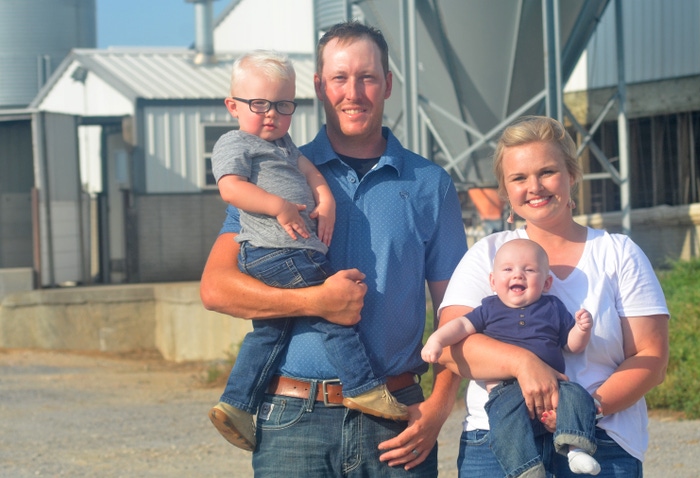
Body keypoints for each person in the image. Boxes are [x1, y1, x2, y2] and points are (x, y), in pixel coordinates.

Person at [199, 21, 468, 477]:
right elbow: (216, 289)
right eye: (340, 78)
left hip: (397, 417)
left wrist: (439, 406)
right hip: (291, 418)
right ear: (320, 87)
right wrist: (313, 301)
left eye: (367, 77)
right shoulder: (270, 172)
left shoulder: (430, 185)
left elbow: (457, 311)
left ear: (388, 85)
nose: (354, 92)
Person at [436, 116, 670, 477]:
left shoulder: (617, 253)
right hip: (497, 440)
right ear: (506, 191)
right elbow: (452, 348)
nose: (535, 187)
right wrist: (523, 364)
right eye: (519, 178)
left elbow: (651, 357)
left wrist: (583, 410)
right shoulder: (487, 254)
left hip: (599, 441)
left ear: (571, 176)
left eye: (547, 172)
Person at [207, 50, 409, 453]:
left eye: (282, 106)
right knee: (333, 309)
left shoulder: (283, 145)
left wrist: (325, 198)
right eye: (258, 104)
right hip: (275, 249)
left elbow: (308, 169)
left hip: (289, 250)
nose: (270, 114)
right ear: (233, 106)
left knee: (271, 331)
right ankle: (363, 386)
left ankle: (236, 403)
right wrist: (276, 205)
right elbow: (230, 188)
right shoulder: (235, 142)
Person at [422, 238, 601, 476]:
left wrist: (582, 329)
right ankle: (526, 470)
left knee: (579, 396)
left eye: (529, 270)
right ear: (493, 282)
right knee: (506, 423)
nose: (518, 275)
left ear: (547, 282)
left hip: (554, 384)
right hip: (505, 388)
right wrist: (437, 340)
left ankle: (576, 450)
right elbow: (461, 326)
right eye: (508, 269)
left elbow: (572, 345)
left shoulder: (553, 307)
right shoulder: (490, 308)